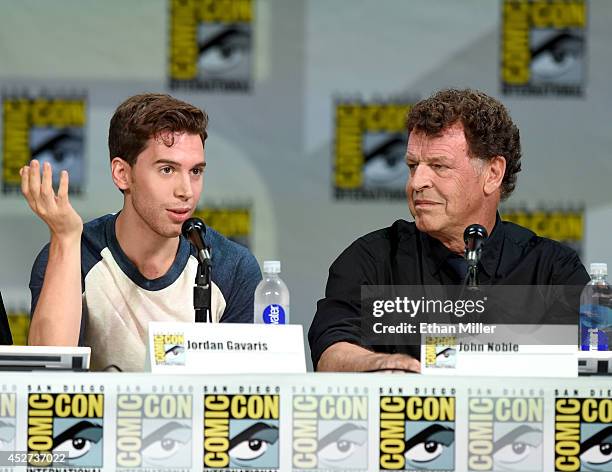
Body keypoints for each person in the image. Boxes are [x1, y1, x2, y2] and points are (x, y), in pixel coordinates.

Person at [309, 88, 589, 373]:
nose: (417, 182)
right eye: (412, 166)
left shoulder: (551, 271)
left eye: (439, 166)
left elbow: (589, 365)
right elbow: (332, 351)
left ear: (492, 174)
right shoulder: (372, 260)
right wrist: (383, 365)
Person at [21, 93, 261, 371]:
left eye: (195, 171)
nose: (186, 191)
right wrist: (64, 240)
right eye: (167, 169)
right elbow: (47, 380)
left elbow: (247, 397)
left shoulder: (230, 267)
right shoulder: (74, 255)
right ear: (122, 174)